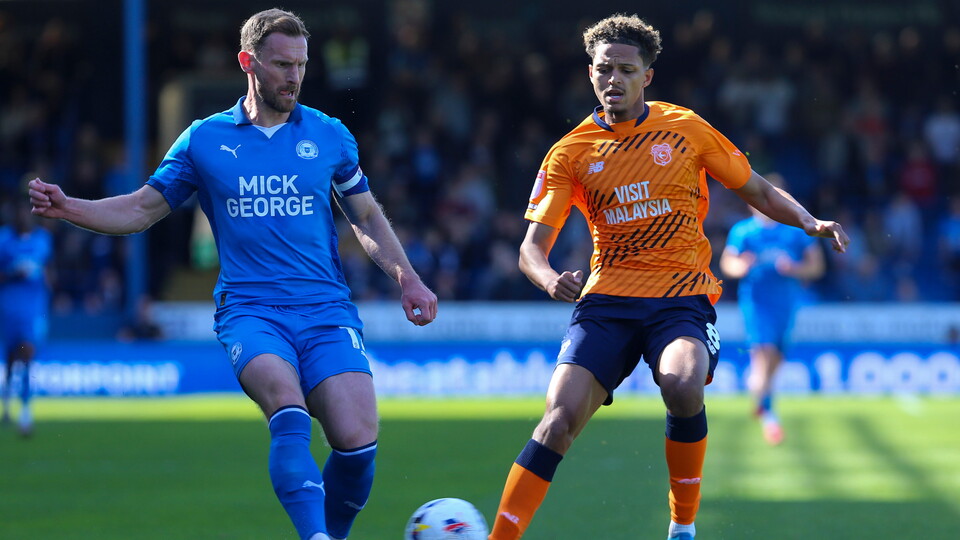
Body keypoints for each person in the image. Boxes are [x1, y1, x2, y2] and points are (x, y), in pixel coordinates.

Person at [28, 8, 437, 540]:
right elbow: (140, 209)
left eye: (301, 65)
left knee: (358, 442)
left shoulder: (330, 135)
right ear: (248, 62)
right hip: (251, 312)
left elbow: (365, 215)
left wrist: (407, 276)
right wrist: (70, 207)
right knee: (287, 409)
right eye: (282, 64)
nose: (294, 76)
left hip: (325, 310)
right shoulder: (204, 140)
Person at [487, 14, 848, 540]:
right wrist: (547, 280)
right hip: (607, 302)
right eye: (604, 69)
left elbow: (758, 190)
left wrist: (809, 222)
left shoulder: (686, 128)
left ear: (647, 77)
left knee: (681, 384)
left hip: (680, 298)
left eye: (626, 70)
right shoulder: (570, 152)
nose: (613, 79)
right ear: (590, 73)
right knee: (556, 421)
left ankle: (682, 525)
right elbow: (530, 250)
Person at [719, 173, 825, 445]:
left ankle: (761, 401)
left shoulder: (794, 231)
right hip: (756, 302)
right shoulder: (743, 231)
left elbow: (816, 267)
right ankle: (769, 417)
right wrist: (741, 267)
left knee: (775, 359)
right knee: (763, 356)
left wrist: (795, 269)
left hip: (786, 303)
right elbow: (728, 263)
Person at [0, 197, 53, 437]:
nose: (24, 217)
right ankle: (7, 402)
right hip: (9, 306)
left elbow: (49, 270)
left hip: (33, 307)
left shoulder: (43, 240)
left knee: (28, 352)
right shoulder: (4, 239)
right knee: (12, 357)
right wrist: (13, 272)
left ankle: (25, 411)